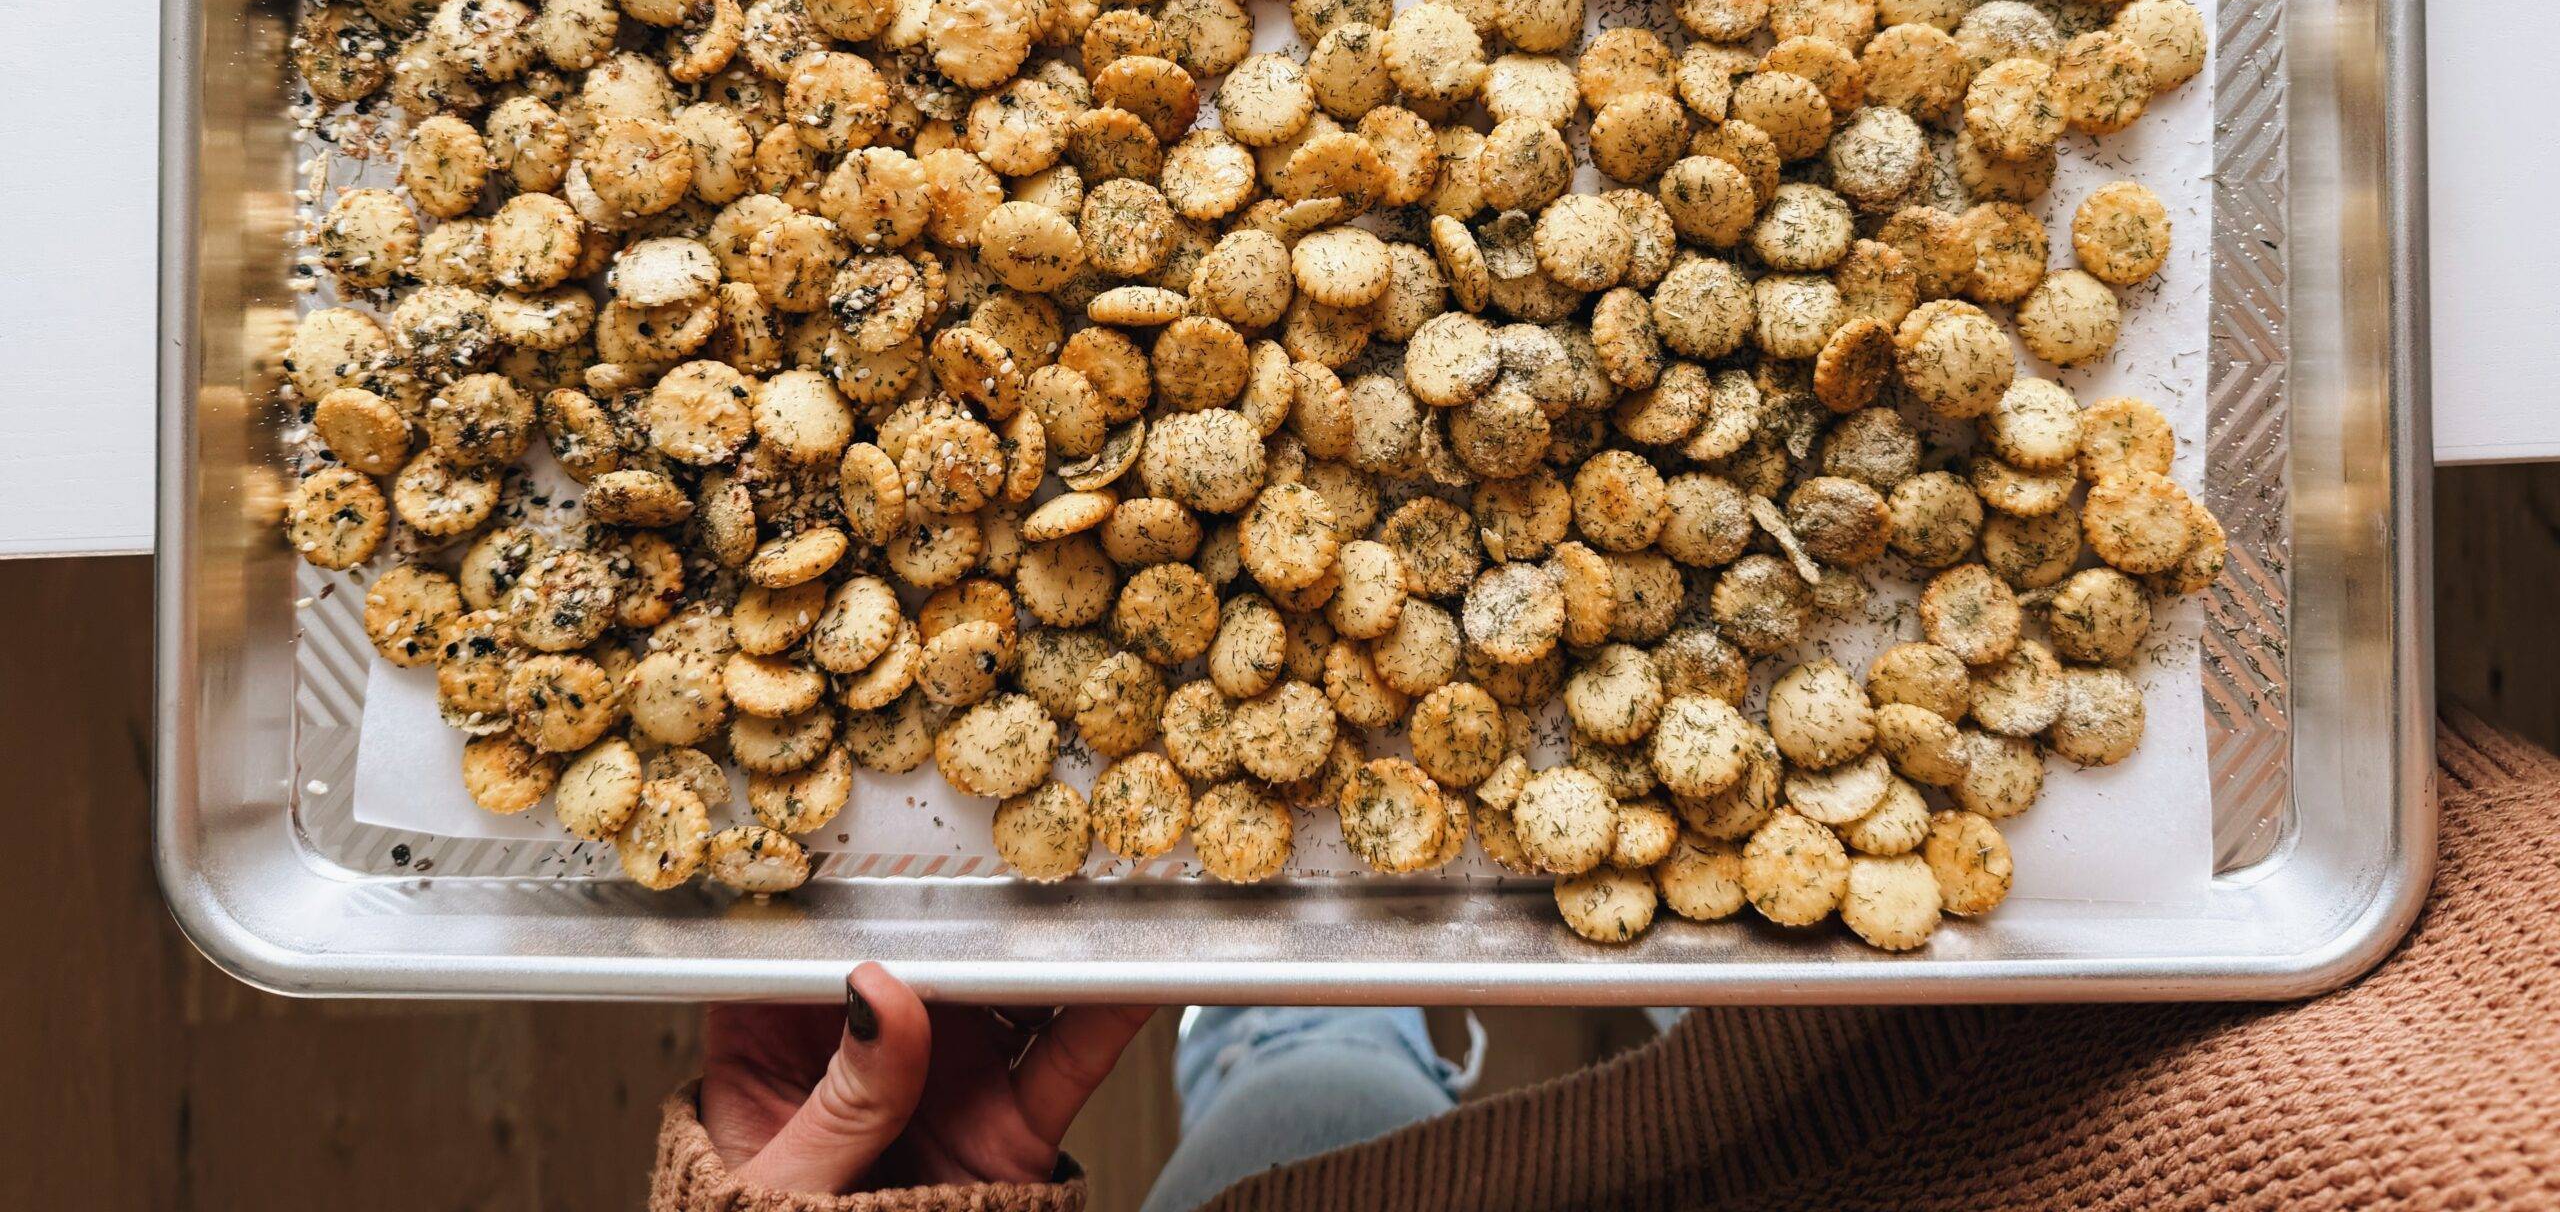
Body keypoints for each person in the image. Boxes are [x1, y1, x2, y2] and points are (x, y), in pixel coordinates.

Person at [651, 709, 2560, 1210]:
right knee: (1737, 994)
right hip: (2095, 1063)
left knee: (1305, 1111)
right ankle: (1716, 982)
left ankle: (1298, 1035)